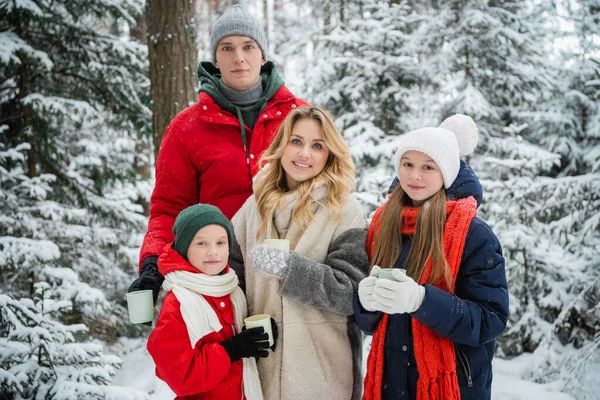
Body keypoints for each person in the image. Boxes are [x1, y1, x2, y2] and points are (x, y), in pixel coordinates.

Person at [129, 5, 308, 302]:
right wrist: (152, 263)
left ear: (262, 55)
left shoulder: (300, 116)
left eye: (248, 46)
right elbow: (169, 209)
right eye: (227, 47)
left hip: (290, 273)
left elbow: (332, 187)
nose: (238, 57)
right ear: (215, 58)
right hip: (218, 278)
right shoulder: (186, 127)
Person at [355, 115, 509, 400]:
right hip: (392, 384)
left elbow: (490, 319)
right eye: (408, 164)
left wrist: (421, 301)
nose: (415, 176)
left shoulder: (474, 234)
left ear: (446, 174)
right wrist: (364, 302)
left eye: (428, 167)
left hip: (454, 386)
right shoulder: (383, 224)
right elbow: (371, 324)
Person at [229, 107, 369, 400]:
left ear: (329, 154)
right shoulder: (250, 211)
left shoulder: (344, 211)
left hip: (324, 376)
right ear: (281, 145)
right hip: (260, 376)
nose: (304, 153)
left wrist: (290, 269)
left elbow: (351, 295)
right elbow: (230, 285)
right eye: (296, 141)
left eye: (317, 146)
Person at [147, 203, 277, 399]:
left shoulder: (231, 290)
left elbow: (239, 347)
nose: (213, 252)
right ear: (184, 248)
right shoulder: (179, 301)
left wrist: (255, 338)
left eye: (220, 243)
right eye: (201, 243)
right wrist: (230, 351)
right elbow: (180, 377)